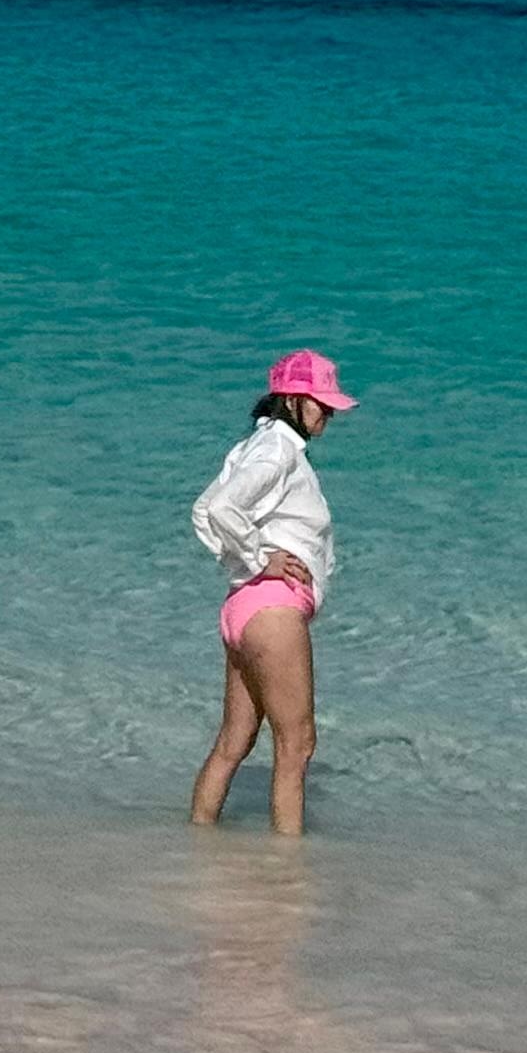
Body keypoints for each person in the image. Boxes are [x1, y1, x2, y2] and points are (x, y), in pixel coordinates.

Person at [186, 349, 356, 835]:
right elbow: (220, 507)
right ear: (291, 400)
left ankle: (193, 844)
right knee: (297, 745)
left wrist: (244, 562)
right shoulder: (278, 449)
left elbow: (205, 510)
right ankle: (287, 868)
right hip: (272, 611)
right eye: (320, 403)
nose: (328, 414)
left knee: (234, 742)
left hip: (245, 605)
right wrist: (262, 559)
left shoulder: (258, 445)